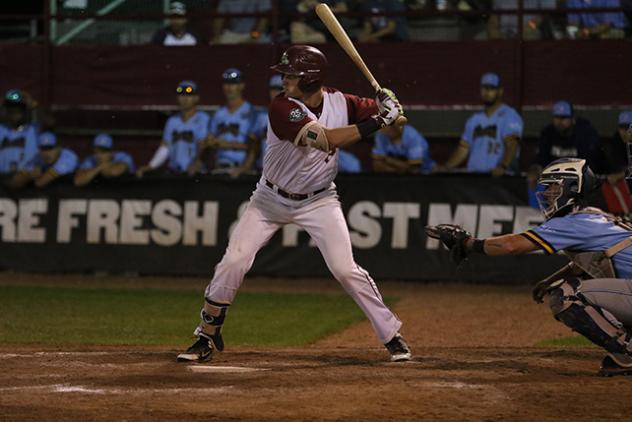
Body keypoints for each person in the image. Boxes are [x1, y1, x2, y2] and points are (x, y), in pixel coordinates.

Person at [176, 45, 411, 364]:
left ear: (311, 79)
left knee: (345, 269)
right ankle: (206, 334)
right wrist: (382, 120)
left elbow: (396, 121)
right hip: (269, 199)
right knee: (234, 261)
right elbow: (328, 139)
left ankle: (391, 335)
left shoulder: (344, 102)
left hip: (319, 200)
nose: (284, 79)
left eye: (291, 75)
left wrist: (390, 105)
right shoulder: (282, 108)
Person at [426, 157, 632, 376]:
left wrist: (469, 244)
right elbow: (590, 262)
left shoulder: (574, 222)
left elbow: (510, 245)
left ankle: (626, 352)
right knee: (575, 287)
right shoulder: (590, 216)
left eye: (553, 187)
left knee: (567, 295)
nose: (547, 193)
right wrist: (550, 280)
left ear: (571, 188)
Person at [439, 73, 523, 176]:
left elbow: (512, 145)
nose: (487, 92)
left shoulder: (509, 115)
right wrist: (446, 167)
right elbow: (463, 149)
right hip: (475, 178)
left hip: (499, 180)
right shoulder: (474, 119)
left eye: (491, 88)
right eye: (484, 88)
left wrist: (503, 166)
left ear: (500, 91)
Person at [191, 68, 258, 174]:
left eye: (234, 83)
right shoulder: (219, 113)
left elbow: (255, 146)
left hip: (242, 170)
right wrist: (209, 142)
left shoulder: (251, 112)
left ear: (242, 86)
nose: (229, 87)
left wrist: (244, 168)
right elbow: (210, 140)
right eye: (227, 83)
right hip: (219, 168)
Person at [136, 81, 210, 177]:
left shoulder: (203, 118)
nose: (185, 99)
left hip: (195, 174)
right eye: (181, 95)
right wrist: (151, 166)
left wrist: (197, 163)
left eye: (189, 95)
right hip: (175, 172)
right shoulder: (172, 121)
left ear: (196, 98)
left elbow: (205, 145)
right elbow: (165, 147)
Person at [534, 101, 601, 170]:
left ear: (572, 119)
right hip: (554, 176)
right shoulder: (547, 133)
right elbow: (540, 158)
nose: (560, 121)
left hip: (579, 175)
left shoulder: (585, 133)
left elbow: (590, 161)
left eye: (564, 117)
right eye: (557, 117)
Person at [8, 132, 78, 189]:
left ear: (58, 147)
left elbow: (41, 182)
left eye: (49, 148)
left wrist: (31, 175)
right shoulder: (37, 157)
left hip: (74, 199)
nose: (46, 153)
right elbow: (15, 182)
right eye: (43, 148)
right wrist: (28, 175)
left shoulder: (69, 157)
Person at [0, 89, 39, 176]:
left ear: (24, 112)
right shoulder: (1, 130)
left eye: (18, 111)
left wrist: (32, 103)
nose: (14, 114)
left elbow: (48, 121)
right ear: (5, 112)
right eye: (11, 111)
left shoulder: (33, 130)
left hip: (26, 181)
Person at [487, 0, 556, 40]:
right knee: (480, 39)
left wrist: (529, 27)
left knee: (531, 37)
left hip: (529, 30)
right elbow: (495, 15)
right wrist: (493, 29)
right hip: (503, 32)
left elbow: (545, 14)